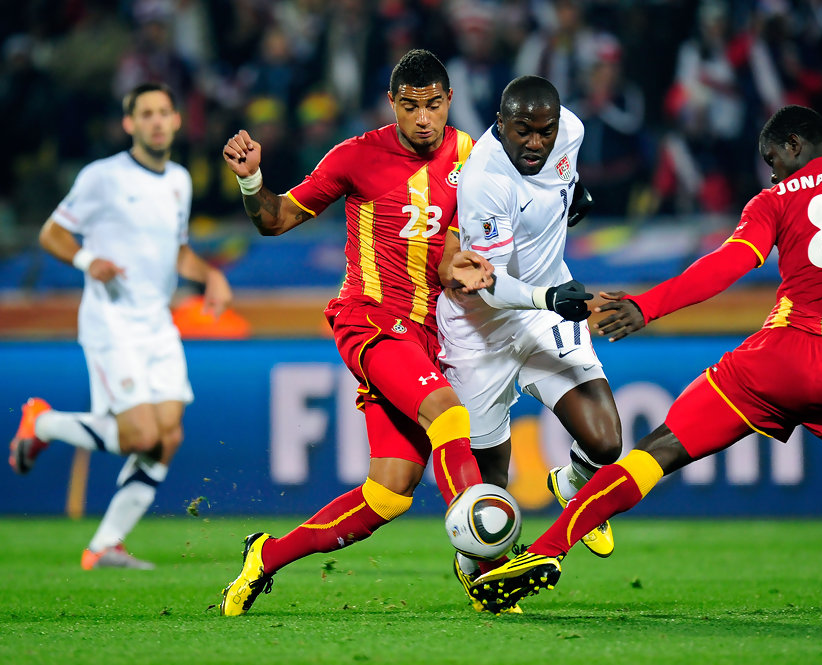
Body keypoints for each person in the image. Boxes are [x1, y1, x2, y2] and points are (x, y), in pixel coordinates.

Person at [469, 105, 822, 621]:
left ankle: (544, 550)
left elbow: (727, 264)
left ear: (795, 144)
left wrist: (648, 305)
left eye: (772, 157)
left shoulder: (774, 200)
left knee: (655, 452)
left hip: (774, 362)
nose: (771, 170)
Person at [218, 49, 495, 616]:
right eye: (411, 106)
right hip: (368, 318)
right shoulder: (355, 156)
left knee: (389, 493)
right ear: (391, 103)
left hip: (425, 335)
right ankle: (486, 567)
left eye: (434, 105)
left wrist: (462, 268)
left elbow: (447, 252)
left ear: (449, 102)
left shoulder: (471, 156)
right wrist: (252, 185)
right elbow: (276, 220)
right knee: (448, 415)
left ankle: (265, 557)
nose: (423, 119)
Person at [8, 82, 232, 570]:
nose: (155, 121)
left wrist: (209, 273)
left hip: (157, 322)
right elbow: (52, 232)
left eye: (163, 112)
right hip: (111, 322)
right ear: (129, 124)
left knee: (167, 436)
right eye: (144, 113)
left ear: (176, 121)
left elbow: (177, 250)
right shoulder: (102, 177)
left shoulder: (178, 179)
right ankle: (41, 422)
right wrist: (89, 259)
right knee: (138, 437)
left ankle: (105, 544)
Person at [436, 75, 622, 605]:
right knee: (491, 493)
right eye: (524, 131)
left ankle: (571, 479)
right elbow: (489, 287)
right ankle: (477, 570)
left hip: (543, 313)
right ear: (501, 123)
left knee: (606, 442)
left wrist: (571, 201)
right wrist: (550, 299)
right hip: (481, 328)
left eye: (546, 130)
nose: (536, 142)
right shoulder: (483, 181)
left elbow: (563, 186)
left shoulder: (573, 132)